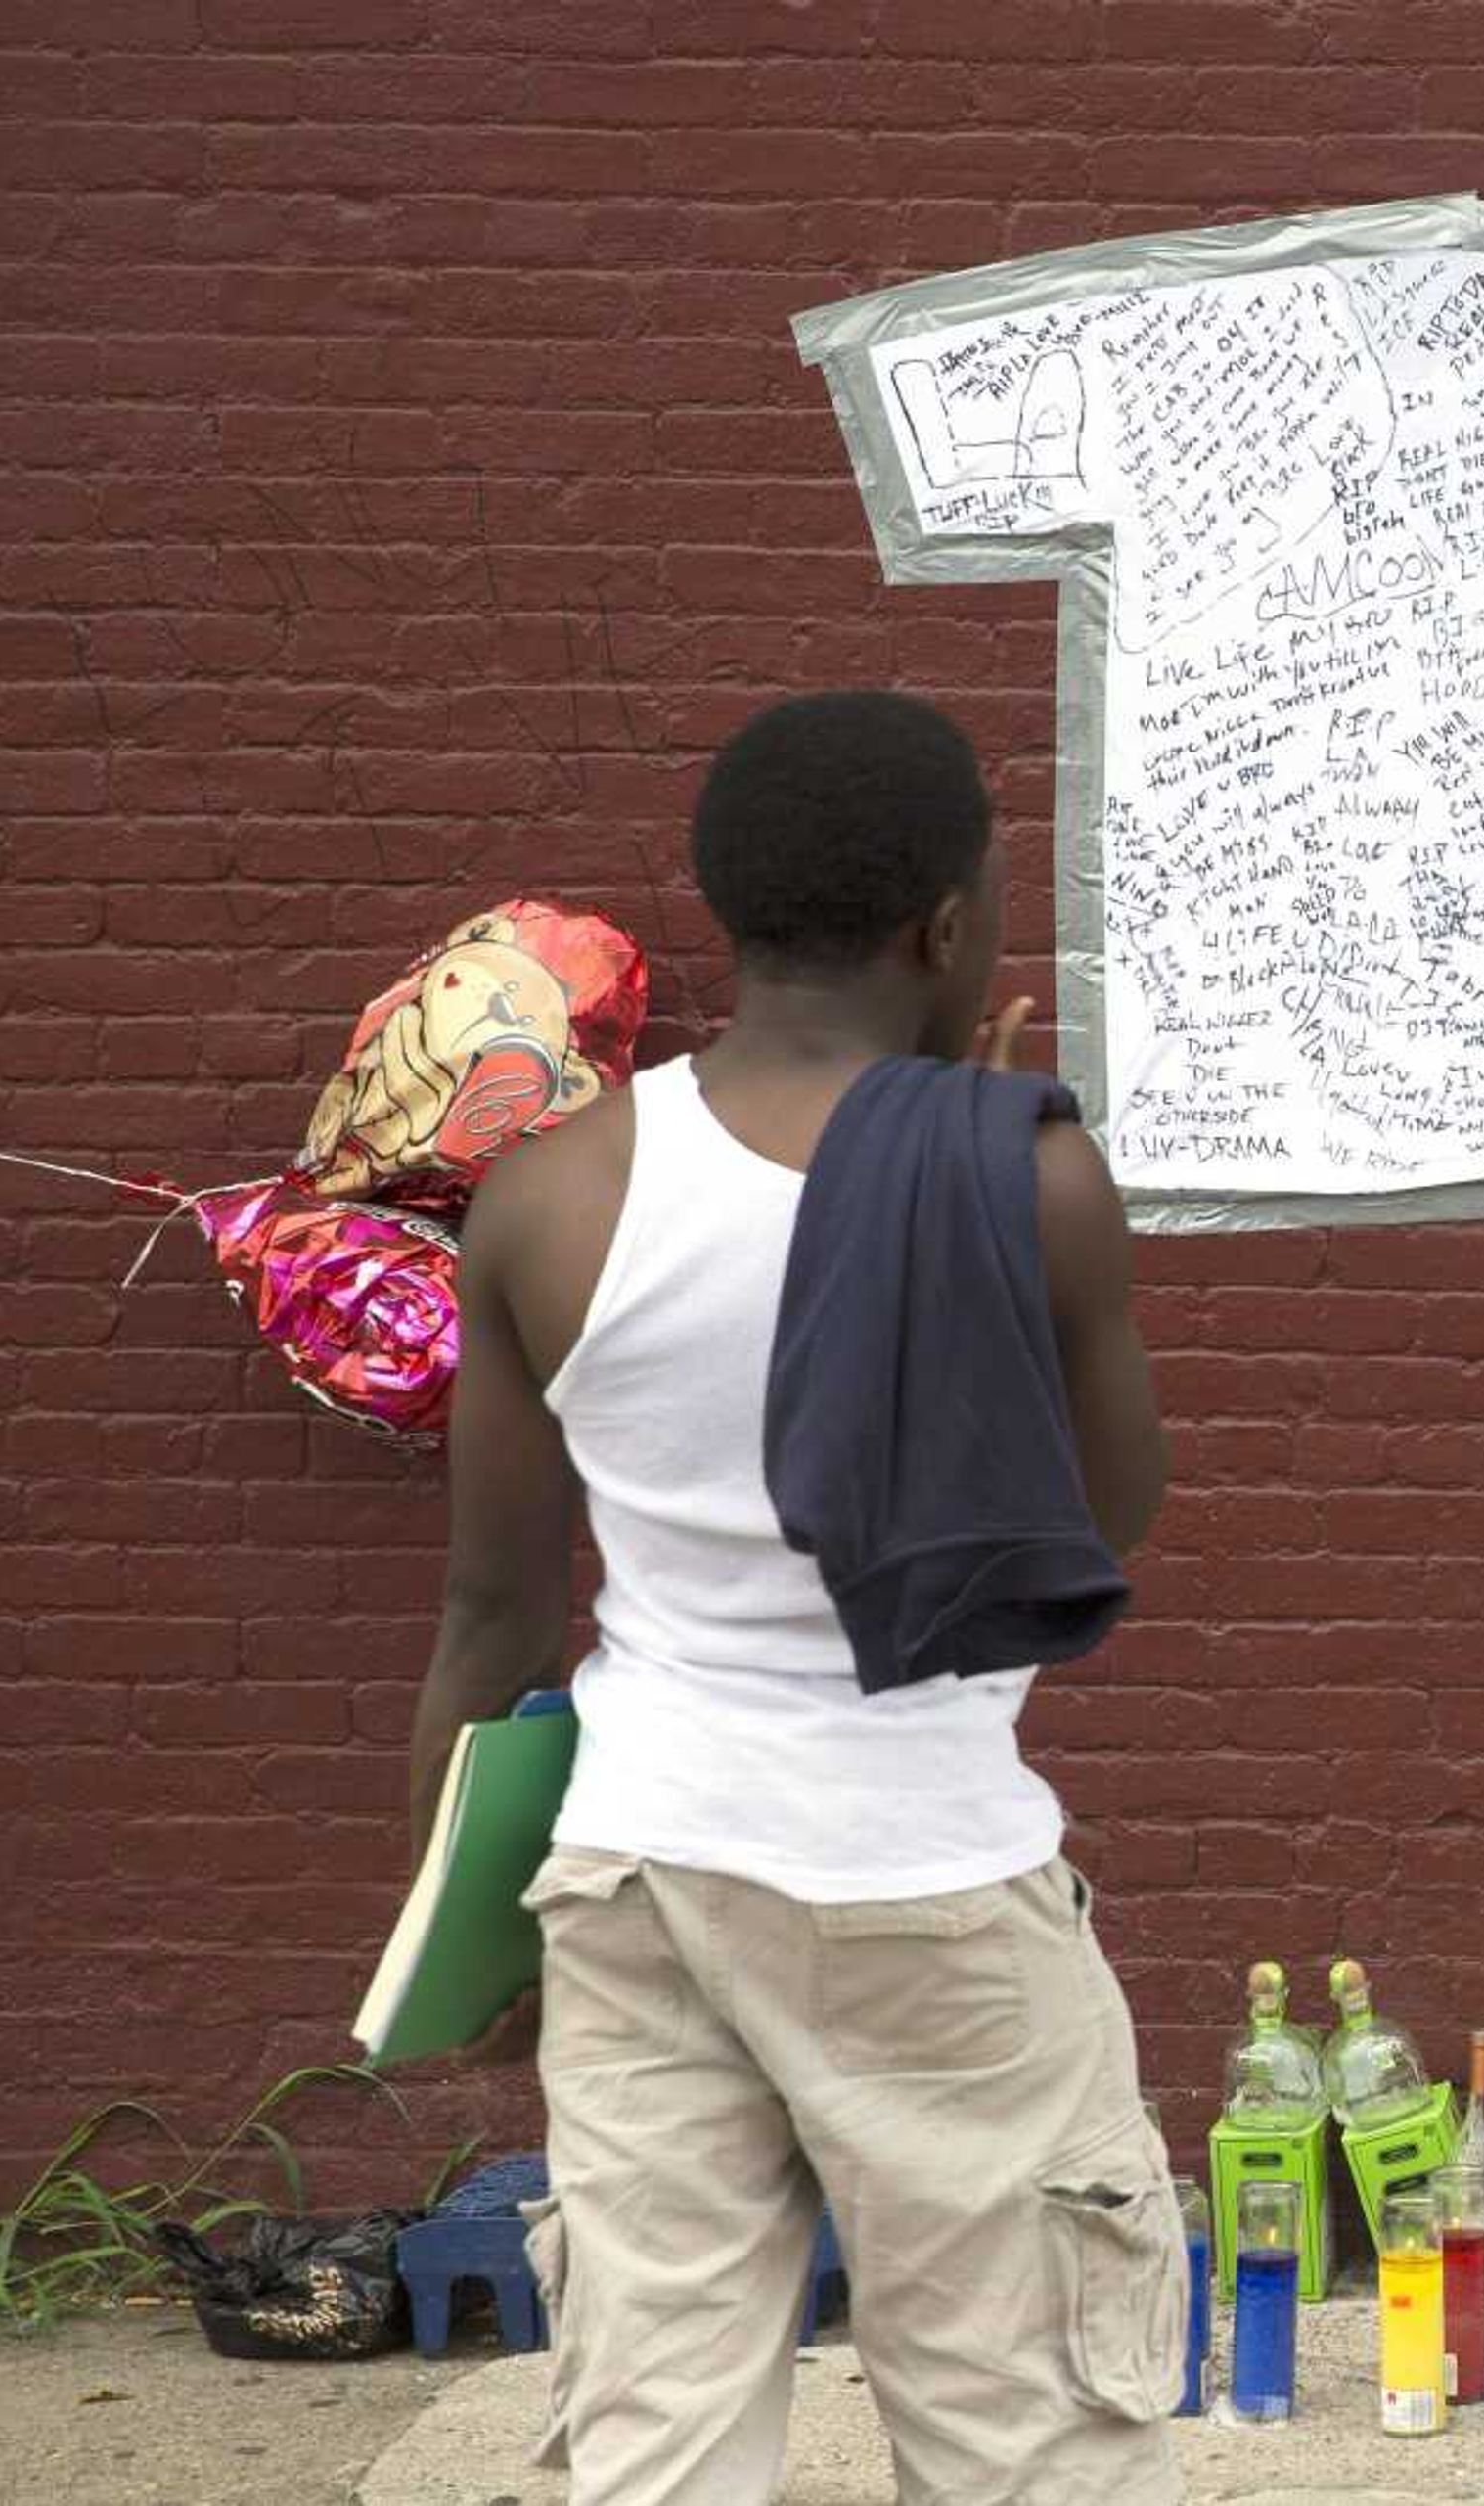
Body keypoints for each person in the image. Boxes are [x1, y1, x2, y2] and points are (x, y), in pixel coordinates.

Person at [407, 690, 1181, 2503]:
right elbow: (1101, 1523)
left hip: (644, 1874)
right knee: (1030, 2438)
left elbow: (495, 1618)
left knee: (655, 2440)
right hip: (927, 1880)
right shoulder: (1038, 1181)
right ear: (948, 928)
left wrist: (469, 1928)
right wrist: (980, 1208)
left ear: (731, 917)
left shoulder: (549, 1194)